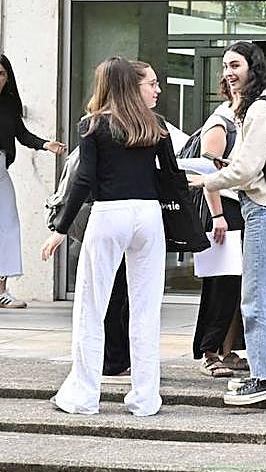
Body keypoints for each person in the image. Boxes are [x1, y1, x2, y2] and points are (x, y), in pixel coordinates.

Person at [41, 57, 181, 416]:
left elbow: (83, 180)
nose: (158, 89)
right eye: (152, 83)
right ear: (131, 86)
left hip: (109, 214)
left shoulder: (92, 125)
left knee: (91, 306)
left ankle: (83, 396)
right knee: (146, 309)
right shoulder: (156, 125)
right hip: (148, 216)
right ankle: (145, 399)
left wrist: (60, 228)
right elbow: (171, 176)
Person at [189, 41, 266, 406]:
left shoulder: (260, 109)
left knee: (256, 300)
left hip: (263, 210)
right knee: (257, 297)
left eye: (235, 65)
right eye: (225, 66)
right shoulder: (261, 106)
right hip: (261, 210)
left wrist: (207, 180)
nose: (228, 73)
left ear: (253, 68)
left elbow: (247, 169)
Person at [191, 78, 247, 379]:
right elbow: (207, 175)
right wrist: (218, 216)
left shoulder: (247, 119)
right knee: (219, 285)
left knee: (235, 285)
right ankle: (209, 351)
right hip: (223, 211)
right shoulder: (220, 122)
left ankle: (228, 350)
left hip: (239, 209)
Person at [0, 53, 66, 308]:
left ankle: (1, 290)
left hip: (1, 168)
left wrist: (45, 144)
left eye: (1, 74)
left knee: (8, 225)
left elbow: (22, 135)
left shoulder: (9, 104)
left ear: (8, 77)